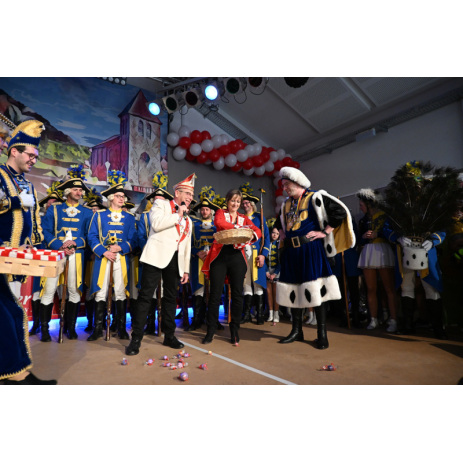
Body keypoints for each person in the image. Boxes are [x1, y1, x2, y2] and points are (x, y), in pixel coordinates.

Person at [0, 118, 57, 384]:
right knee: (9, 314)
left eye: (36, 156)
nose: (34, 160)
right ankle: (17, 375)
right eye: (30, 155)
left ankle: (16, 373)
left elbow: (33, 222)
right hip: (2, 257)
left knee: (13, 314)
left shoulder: (27, 184)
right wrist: (13, 201)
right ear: (14, 151)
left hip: (16, 261)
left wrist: (37, 246)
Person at [275, 167, 355, 350]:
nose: (284, 189)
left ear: (297, 182)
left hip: (311, 249)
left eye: (287, 185)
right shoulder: (286, 204)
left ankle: (322, 334)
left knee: (317, 291)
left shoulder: (315, 197)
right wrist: (281, 232)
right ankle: (296, 331)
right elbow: (279, 221)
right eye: (283, 185)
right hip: (292, 252)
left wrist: (324, 232)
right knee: (293, 290)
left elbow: (340, 212)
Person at [125, 173, 195, 355]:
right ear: (177, 193)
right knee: (145, 297)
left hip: (175, 261)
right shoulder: (161, 204)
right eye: (187, 193)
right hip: (155, 257)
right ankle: (136, 339)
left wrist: (186, 269)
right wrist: (178, 214)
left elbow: (186, 246)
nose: (190, 197)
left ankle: (169, 335)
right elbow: (156, 224)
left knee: (171, 298)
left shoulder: (189, 220)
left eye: (192, 195)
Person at [201, 189, 262, 345]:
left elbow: (257, 231)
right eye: (233, 200)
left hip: (237, 258)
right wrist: (238, 229)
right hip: (219, 257)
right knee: (215, 295)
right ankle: (211, 330)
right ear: (227, 201)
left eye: (238, 201)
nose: (235, 204)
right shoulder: (220, 213)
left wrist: (250, 235)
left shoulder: (244, 218)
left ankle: (234, 330)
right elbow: (219, 223)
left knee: (237, 295)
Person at [39, 170, 93, 341]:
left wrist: (74, 243)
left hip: (76, 255)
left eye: (81, 190)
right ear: (68, 191)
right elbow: (46, 231)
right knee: (49, 290)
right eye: (76, 189)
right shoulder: (55, 209)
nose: (79, 192)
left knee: (74, 291)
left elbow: (89, 235)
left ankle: (71, 327)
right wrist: (60, 245)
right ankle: (45, 329)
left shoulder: (87, 212)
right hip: (55, 254)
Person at [87, 174, 137, 341]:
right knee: (101, 292)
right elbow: (92, 237)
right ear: (110, 198)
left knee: (120, 292)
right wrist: (104, 251)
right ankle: (97, 329)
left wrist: (120, 247)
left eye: (123, 196)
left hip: (121, 259)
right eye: (118, 196)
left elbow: (133, 239)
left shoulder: (129, 218)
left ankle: (121, 328)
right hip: (103, 258)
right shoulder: (99, 216)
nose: (122, 198)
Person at [356, 188, 399, 333]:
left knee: (389, 288)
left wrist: (378, 234)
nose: (360, 208)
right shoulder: (363, 220)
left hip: (382, 251)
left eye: (362, 205)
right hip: (368, 252)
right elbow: (358, 238)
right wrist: (363, 237)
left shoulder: (385, 217)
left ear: (369, 204)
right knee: (370, 288)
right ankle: (373, 319)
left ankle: (394, 319)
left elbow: (392, 234)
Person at [137, 176, 173, 334]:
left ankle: (164, 324)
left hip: (166, 257)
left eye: (162, 199)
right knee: (149, 292)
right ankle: (149, 323)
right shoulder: (145, 216)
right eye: (156, 199)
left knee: (165, 291)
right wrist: (149, 248)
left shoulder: (171, 216)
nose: (158, 201)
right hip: (151, 256)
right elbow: (140, 236)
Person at [188, 186, 220, 331]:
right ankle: (197, 319)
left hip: (213, 262)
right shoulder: (193, 226)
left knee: (214, 291)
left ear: (211, 211)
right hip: (198, 262)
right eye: (202, 209)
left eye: (207, 209)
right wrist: (197, 252)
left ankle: (213, 320)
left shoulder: (217, 227)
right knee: (198, 290)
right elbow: (188, 243)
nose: (204, 212)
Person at [239, 184, 270, 325]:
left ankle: (259, 314)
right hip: (243, 254)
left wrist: (263, 255)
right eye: (243, 203)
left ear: (252, 204)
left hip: (256, 254)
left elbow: (266, 237)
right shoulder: (240, 219)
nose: (245, 205)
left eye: (247, 203)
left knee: (258, 284)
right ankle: (246, 314)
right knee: (246, 283)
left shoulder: (259, 218)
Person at [266, 225, 281, 323]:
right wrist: (266, 271)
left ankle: (276, 314)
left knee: (276, 294)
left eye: (277, 233)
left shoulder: (280, 244)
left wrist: (275, 273)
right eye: (273, 233)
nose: (274, 235)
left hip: (277, 272)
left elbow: (281, 261)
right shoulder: (266, 243)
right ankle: (270, 314)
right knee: (268, 294)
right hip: (267, 271)